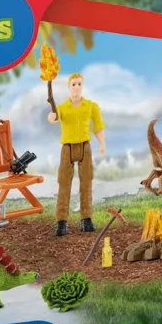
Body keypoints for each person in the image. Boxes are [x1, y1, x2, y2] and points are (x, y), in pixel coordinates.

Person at [48, 72, 105, 235]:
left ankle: (86, 219)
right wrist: (51, 116)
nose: (77, 87)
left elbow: (98, 125)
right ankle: (61, 222)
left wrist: (102, 143)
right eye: (74, 84)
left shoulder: (90, 106)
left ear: (82, 86)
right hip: (67, 147)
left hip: (85, 146)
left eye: (79, 84)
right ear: (69, 86)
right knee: (64, 183)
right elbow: (54, 117)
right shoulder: (62, 107)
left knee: (86, 182)